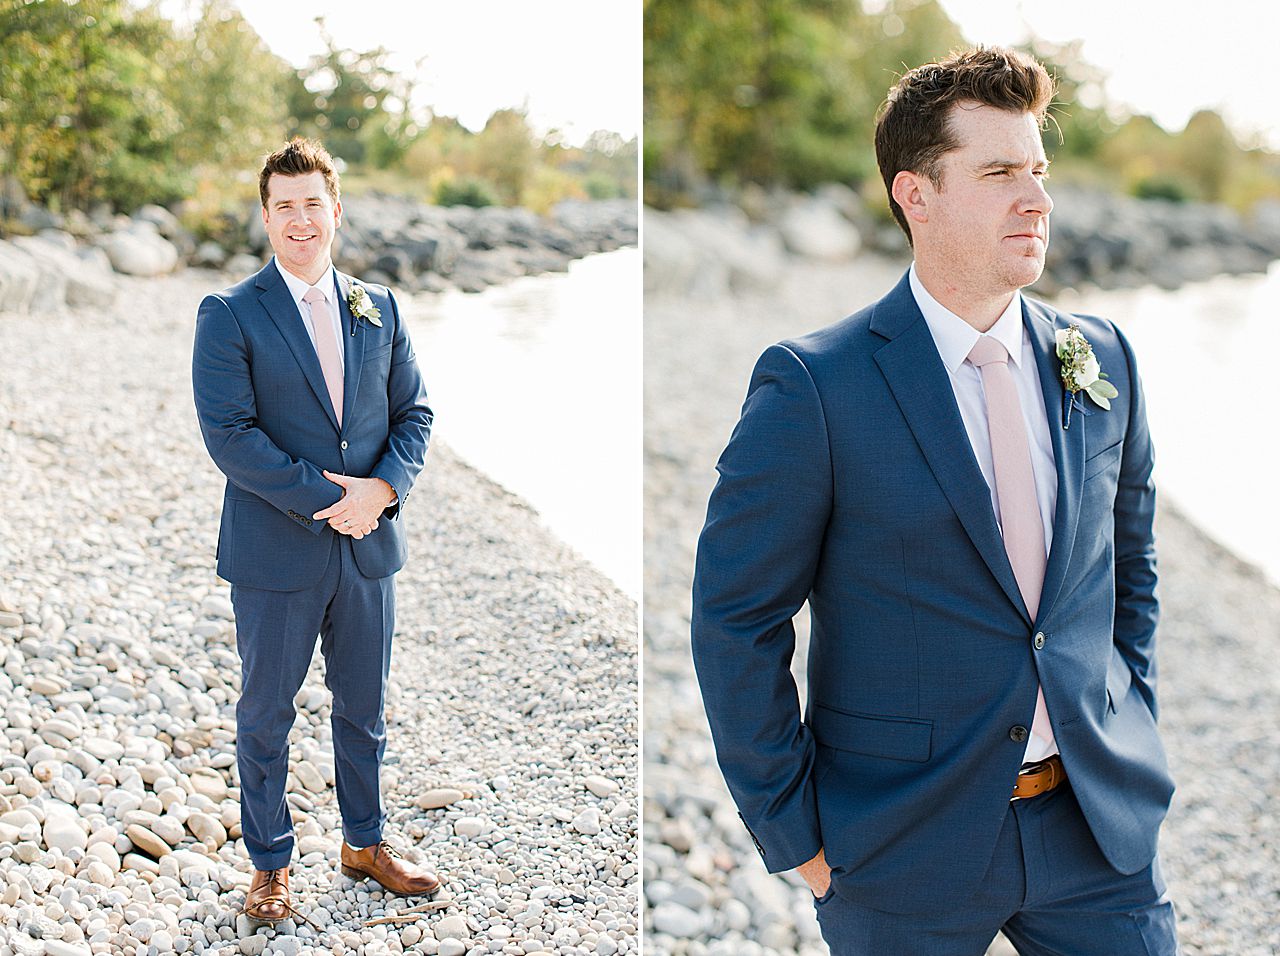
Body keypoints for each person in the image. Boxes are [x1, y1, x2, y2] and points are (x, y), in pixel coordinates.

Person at [690, 48, 1178, 955]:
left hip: (1098, 836)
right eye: (999, 173)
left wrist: (1126, 716)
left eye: (1038, 171)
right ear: (915, 195)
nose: (1036, 200)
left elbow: (1133, 564)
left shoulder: (1103, 356)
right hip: (898, 848)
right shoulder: (814, 385)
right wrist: (800, 839)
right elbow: (735, 617)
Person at [192, 137, 439, 924]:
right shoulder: (229, 313)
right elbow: (229, 436)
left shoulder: (382, 307)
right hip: (276, 552)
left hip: (368, 551)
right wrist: (330, 499)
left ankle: (365, 844)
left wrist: (384, 490)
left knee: (363, 709)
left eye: (313, 204)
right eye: (284, 206)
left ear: (336, 210)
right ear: (266, 217)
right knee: (266, 713)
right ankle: (270, 865)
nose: (301, 220)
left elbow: (416, 414)